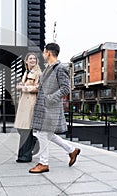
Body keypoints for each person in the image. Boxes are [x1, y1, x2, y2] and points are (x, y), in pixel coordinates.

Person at [29, 43, 80, 173]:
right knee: (48, 134)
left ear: (49, 53)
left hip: (51, 107)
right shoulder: (48, 69)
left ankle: (43, 163)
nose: (43, 54)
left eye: (44, 52)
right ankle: (72, 150)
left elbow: (65, 88)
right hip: (43, 107)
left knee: (42, 133)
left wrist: (50, 98)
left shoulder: (60, 68)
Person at [14, 52, 42, 163]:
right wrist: (19, 87)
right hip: (23, 103)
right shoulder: (26, 72)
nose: (32, 60)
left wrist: (23, 88)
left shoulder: (38, 73)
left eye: (34, 59)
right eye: (30, 59)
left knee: (26, 128)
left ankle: (25, 156)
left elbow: (38, 88)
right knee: (20, 128)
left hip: (30, 103)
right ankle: (33, 142)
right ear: (26, 61)